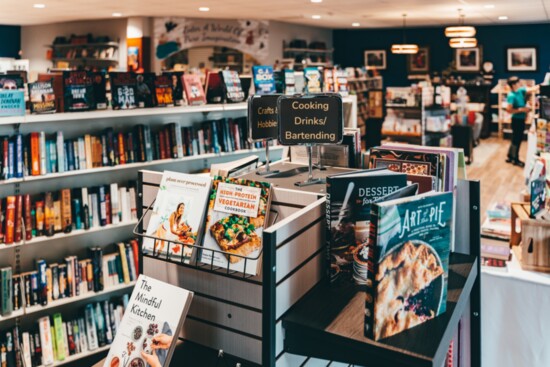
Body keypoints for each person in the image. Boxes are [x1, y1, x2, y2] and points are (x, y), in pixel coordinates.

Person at [505, 76, 530, 167]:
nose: (520, 83)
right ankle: (515, 159)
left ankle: (510, 156)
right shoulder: (511, 95)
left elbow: (531, 89)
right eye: (518, 82)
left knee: (515, 138)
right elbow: (508, 110)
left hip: (520, 119)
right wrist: (522, 110)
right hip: (516, 120)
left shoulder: (520, 91)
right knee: (517, 139)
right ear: (514, 84)